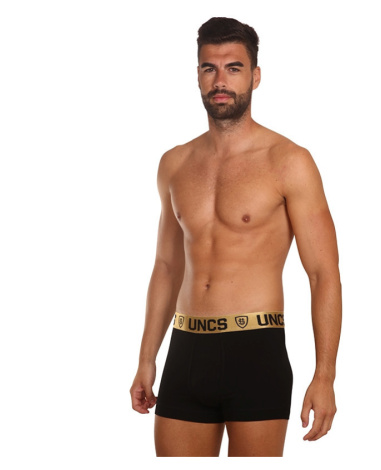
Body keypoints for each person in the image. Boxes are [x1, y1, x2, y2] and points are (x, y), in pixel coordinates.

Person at [129, 16, 342, 457]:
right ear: (198, 76)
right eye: (209, 68)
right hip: (186, 352)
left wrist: (325, 376)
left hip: (256, 352)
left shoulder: (289, 161)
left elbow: (323, 273)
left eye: (234, 68)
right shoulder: (174, 164)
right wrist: (147, 357)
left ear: (255, 76)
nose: (220, 80)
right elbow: (167, 267)